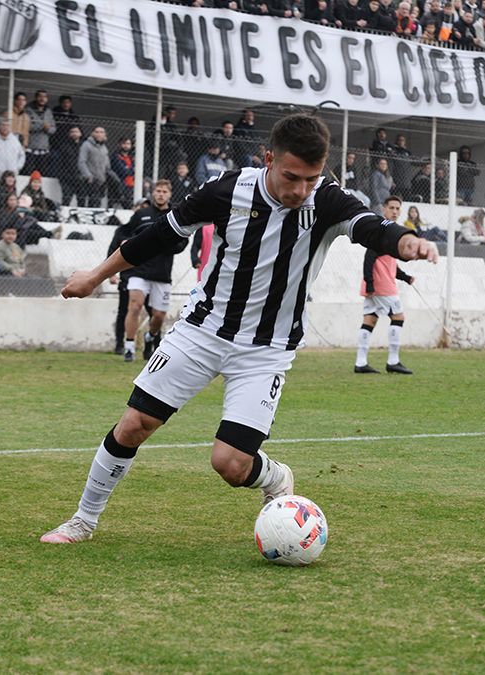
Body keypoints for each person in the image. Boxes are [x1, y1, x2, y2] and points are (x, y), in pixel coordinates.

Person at [39, 113, 438, 544]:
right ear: (269, 159)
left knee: (230, 464)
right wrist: (96, 275)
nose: (301, 190)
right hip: (202, 331)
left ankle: (276, 476)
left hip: (266, 350)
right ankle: (83, 520)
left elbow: (370, 227)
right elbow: (160, 234)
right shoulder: (227, 190)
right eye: (292, 177)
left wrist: (405, 241)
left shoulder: (326, 200)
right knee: (134, 423)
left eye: (312, 178)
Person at [111, 180, 186, 362]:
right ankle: (129, 347)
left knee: (158, 316)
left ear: (170, 194)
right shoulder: (142, 214)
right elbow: (123, 233)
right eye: (158, 191)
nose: (161, 194)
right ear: (153, 193)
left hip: (161, 273)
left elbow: (183, 241)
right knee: (134, 306)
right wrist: (126, 243)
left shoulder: (174, 215)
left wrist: (165, 246)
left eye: (164, 191)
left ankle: (150, 337)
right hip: (139, 270)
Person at [355, 196, 416, 375]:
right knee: (398, 317)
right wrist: (371, 283)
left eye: (398, 208)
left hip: (375, 285)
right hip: (381, 286)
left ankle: (360, 363)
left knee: (370, 320)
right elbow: (369, 258)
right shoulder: (382, 229)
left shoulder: (392, 231)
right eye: (392, 208)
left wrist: (405, 277)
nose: (395, 211)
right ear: (384, 209)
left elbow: (388, 263)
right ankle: (393, 361)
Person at [0, 117, 25, 193]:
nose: (5, 127)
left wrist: (17, 168)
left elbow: (22, 155)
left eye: (7, 125)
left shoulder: (15, 141)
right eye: (3, 125)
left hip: (11, 177)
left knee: (11, 199)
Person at [23, 89, 55, 176]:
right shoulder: (28, 110)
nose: (42, 99)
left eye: (44, 97)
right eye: (40, 96)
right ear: (36, 97)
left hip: (44, 148)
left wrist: (48, 129)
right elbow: (26, 126)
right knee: (29, 173)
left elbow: (53, 128)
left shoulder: (49, 111)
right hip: (30, 147)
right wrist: (42, 126)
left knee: (43, 174)